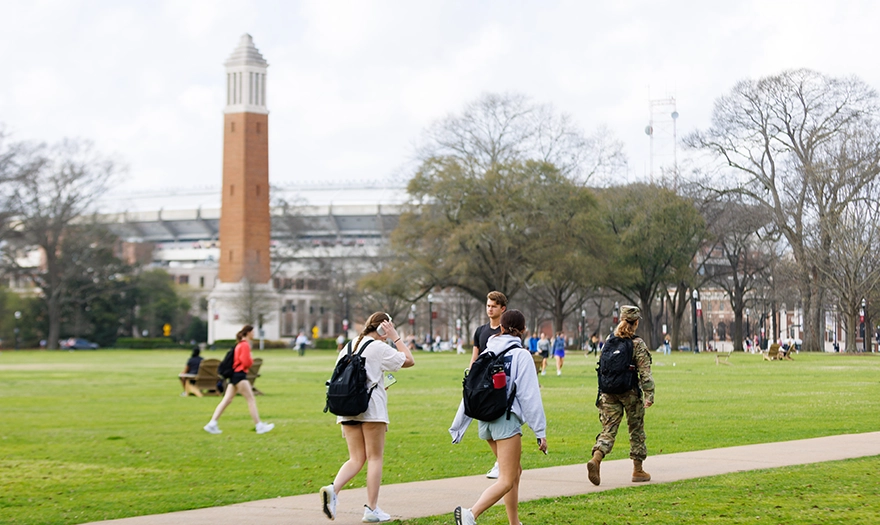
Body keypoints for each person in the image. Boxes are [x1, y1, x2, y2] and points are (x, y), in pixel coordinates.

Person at [450, 309, 547, 525]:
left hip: (485, 423)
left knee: (514, 471)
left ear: (500, 328)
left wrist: (458, 426)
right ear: (523, 330)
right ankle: (470, 515)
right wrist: (540, 431)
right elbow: (529, 395)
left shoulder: (485, 353)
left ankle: (514, 522)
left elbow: (470, 392)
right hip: (505, 420)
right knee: (506, 479)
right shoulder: (521, 355)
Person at [319, 312, 415, 523]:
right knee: (374, 457)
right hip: (371, 410)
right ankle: (371, 508)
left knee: (356, 458)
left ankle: (333, 489)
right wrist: (396, 337)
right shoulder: (379, 347)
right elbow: (409, 360)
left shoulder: (349, 345)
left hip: (346, 408)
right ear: (383, 328)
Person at [587, 305, 654, 486]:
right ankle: (638, 470)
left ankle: (597, 458)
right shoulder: (637, 343)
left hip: (608, 393)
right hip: (629, 392)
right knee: (636, 430)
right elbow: (645, 372)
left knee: (609, 429)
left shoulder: (610, 340)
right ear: (636, 322)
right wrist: (649, 394)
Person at [203, 325, 274, 435]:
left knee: (227, 400)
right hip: (240, 375)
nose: (254, 334)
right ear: (248, 333)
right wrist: (251, 359)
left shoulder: (239, 344)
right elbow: (246, 362)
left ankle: (212, 423)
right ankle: (259, 426)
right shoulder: (245, 345)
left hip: (234, 375)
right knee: (250, 399)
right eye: (252, 332)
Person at [471, 291, 507, 479]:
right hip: (481, 385)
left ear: (502, 308)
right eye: (488, 305)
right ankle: (502, 462)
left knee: (498, 427)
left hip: (498, 384)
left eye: (493, 306)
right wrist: (471, 378)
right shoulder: (480, 331)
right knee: (485, 432)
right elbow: (475, 357)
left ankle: (502, 464)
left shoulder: (505, 331)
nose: (490, 309)